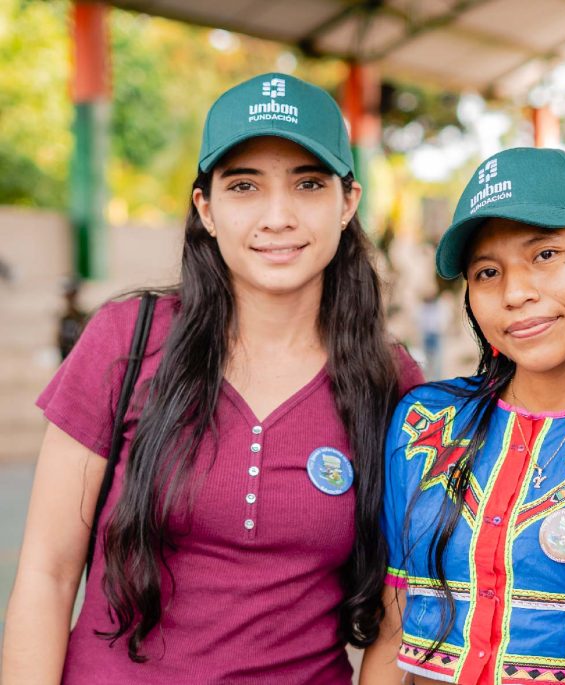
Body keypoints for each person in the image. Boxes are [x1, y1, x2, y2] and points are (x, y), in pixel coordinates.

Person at [1, 72, 422, 684]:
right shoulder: (127, 339)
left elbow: (398, 609)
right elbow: (47, 571)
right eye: (244, 186)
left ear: (348, 202)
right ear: (207, 208)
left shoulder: (390, 380)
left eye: (307, 184)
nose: (277, 217)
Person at [360, 147, 565, 684]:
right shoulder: (425, 422)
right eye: (488, 272)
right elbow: (392, 632)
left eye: (544, 256)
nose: (516, 293)